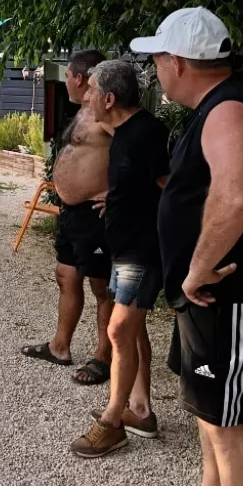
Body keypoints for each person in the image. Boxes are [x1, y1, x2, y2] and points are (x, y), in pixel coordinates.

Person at [127, 7, 243, 486]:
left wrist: (200, 266)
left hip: (229, 291)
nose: (156, 70)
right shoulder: (213, 108)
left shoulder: (231, 109)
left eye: (158, 59)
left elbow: (236, 196)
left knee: (227, 416)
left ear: (178, 62)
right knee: (206, 402)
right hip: (203, 293)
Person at [70, 60, 170, 458]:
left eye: (92, 90)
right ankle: (141, 410)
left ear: (109, 99)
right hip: (124, 247)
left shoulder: (146, 132)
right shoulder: (125, 131)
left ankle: (112, 422)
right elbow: (141, 182)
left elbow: (170, 190)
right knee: (133, 331)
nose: (87, 96)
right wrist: (117, 197)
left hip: (142, 250)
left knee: (118, 330)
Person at [21, 50, 114, 385]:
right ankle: (60, 346)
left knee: (102, 286)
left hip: (95, 214)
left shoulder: (108, 113)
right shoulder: (84, 111)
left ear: (79, 78)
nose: (66, 84)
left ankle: (104, 357)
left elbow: (137, 152)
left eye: (67, 78)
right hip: (72, 212)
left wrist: (118, 193)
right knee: (66, 275)